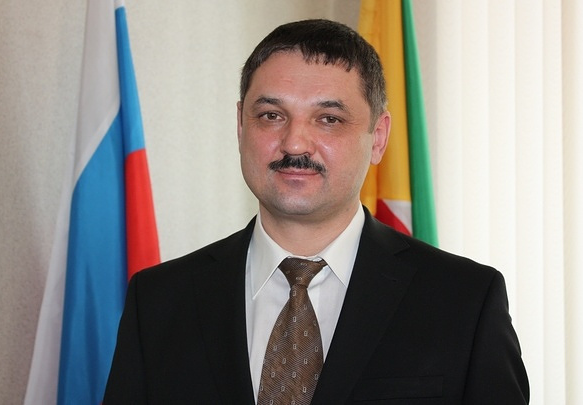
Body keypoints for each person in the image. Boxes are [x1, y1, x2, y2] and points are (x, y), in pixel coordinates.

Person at [103, 19, 529, 404]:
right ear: (241, 126)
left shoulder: (465, 302)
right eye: (271, 115)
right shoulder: (158, 301)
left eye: (328, 119)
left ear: (378, 137)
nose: (294, 143)